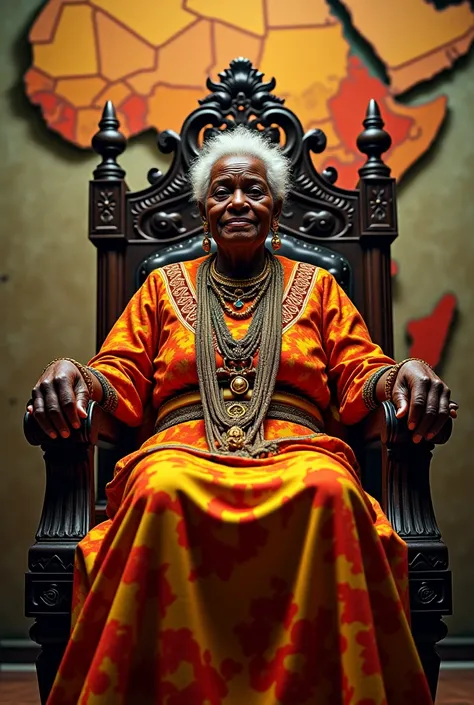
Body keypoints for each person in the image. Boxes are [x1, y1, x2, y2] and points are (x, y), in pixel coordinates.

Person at [28, 126, 457, 705]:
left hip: (297, 453)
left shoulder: (320, 288)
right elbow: (120, 377)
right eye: (223, 191)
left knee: (333, 489)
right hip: (182, 451)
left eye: (253, 191)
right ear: (203, 208)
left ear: (275, 210)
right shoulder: (161, 286)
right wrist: (72, 373)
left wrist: (402, 373)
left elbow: (361, 374)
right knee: (159, 489)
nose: (238, 202)